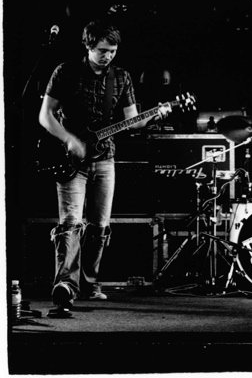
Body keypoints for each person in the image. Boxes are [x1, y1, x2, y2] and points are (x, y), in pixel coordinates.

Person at [38, 20, 171, 314]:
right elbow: (45, 115)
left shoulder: (121, 77)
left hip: (105, 157)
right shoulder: (65, 72)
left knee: (99, 226)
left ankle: (90, 283)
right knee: (70, 223)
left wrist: (155, 115)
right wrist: (69, 139)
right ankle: (65, 286)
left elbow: (132, 121)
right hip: (70, 159)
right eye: (101, 50)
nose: (107, 56)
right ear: (88, 46)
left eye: (112, 51)